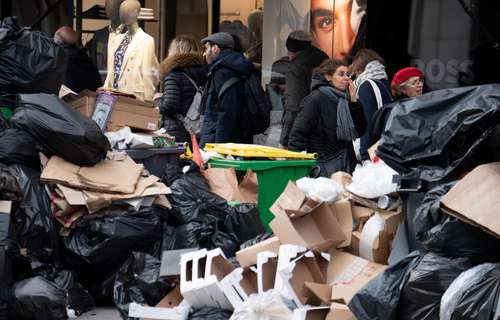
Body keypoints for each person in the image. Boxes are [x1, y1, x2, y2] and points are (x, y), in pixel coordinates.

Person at [288, 59, 367, 176]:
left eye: (348, 74)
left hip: (346, 165)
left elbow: (360, 130)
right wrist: (300, 170)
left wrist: (354, 101)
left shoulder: (345, 100)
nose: (346, 78)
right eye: (341, 74)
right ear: (328, 77)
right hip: (323, 167)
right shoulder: (315, 99)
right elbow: (297, 135)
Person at [199, 32, 254, 147]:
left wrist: (219, 148)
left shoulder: (223, 72)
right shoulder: (228, 69)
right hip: (231, 139)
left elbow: (227, 111)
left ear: (215, 48)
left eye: (206, 48)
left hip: (219, 142)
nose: (204, 54)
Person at [281, 30, 329, 148]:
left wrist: (284, 140)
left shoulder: (296, 68)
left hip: (302, 128)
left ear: (291, 50)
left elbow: (293, 106)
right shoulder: (324, 58)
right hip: (326, 125)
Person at [158, 35, 207, 143]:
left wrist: (158, 100)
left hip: (177, 132)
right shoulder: (204, 73)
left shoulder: (174, 75)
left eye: (170, 49)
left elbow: (170, 106)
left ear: (175, 51)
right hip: (196, 131)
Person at [349, 49, 393, 162]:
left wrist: (364, 154)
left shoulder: (366, 85)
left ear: (359, 68)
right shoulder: (384, 83)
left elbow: (367, 121)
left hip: (371, 150)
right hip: (385, 147)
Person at [367, 67, 426, 148]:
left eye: (420, 81)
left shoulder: (424, 106)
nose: (419, 85)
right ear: (403, 89)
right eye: (414, 82)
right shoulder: (393, 111)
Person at [54, 26, 102, 92]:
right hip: (89, 98)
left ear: (57, 41)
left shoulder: (59, 60)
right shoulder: (85, 58)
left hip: (68, 100)